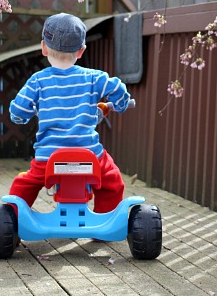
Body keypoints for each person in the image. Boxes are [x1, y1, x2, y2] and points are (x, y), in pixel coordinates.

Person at [8, 12, 131, 214]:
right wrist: (121, 104)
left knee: (26, 183)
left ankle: (11, 218)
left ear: (44, 48)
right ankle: (104, 220)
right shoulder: (94, 78)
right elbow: (118, 90)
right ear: (81, 51)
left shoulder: (37, 81)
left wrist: (19, 117)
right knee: (112, 181)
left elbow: (18, 110)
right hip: (90, 156)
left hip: (48, 158)